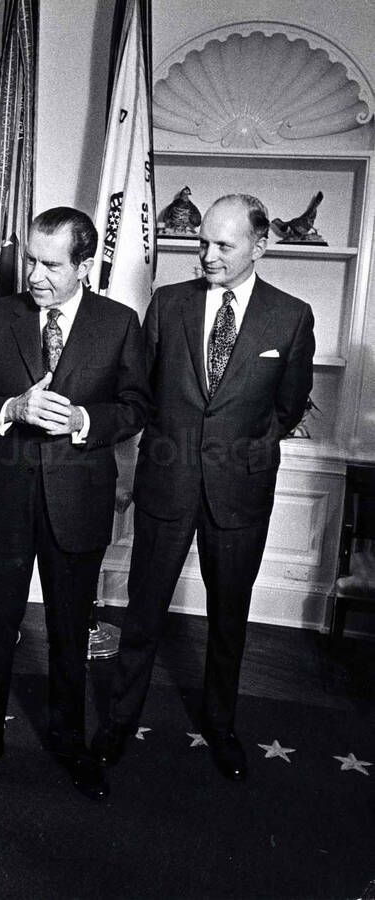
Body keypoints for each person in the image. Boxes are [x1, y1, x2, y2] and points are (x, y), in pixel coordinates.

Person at [92, 194, 315, 782]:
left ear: (258, 246)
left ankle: (221, 726)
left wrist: (247, 449)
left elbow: (288, 406)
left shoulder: (291, 317)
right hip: (167, 483)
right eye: (203, 242)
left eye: (224, 244)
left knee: (229, 618)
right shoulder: (168, 305)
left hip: (239, 493)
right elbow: (139, 391)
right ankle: (117, 723)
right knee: (142, 613)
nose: (207, 254)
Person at [0, 206, 149, 803]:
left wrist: (84, 420)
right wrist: (12, 409)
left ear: (84, 265)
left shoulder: (119, 323)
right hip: (6, 503)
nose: (34, 273)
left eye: (50, 264)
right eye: (31, 258)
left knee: (67, 632)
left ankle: (68, 740)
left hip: (78, 503)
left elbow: (136, 406)